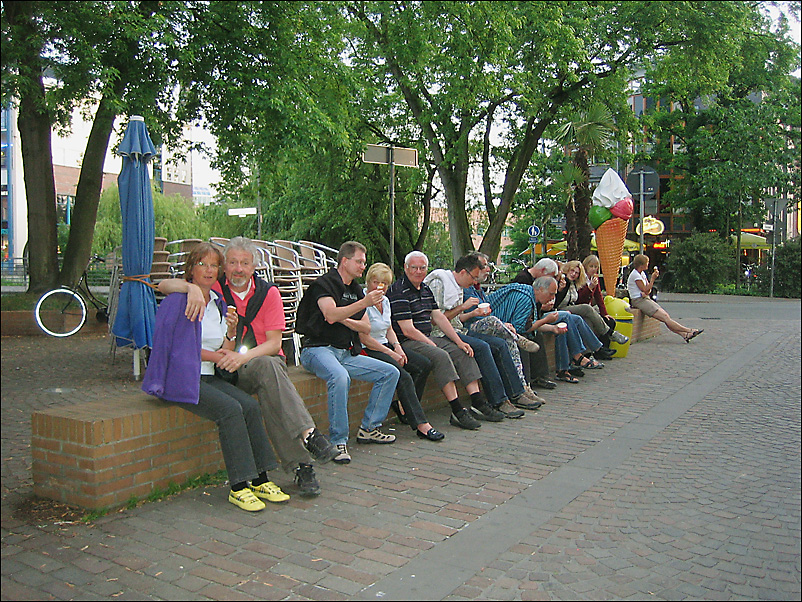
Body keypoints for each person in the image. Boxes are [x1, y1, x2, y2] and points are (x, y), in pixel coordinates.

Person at [157, 237, 339, 498]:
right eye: (232, 263)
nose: (238, 269)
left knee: (268, 369)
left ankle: (302, 460)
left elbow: (275, 343)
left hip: (257, 363)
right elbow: (163, 285)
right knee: (271, 388)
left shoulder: (269, 293)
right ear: (224, 267)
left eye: (244, 263)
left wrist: (243, 358)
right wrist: (191, 289)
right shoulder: (215, 288)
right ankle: (307, 446)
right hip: (225, 371)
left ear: (254, 266)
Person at [143, 243, 289, 512]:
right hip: (183, 379)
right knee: (231, 410)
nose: (209, 271)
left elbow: (224, 347)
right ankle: (238, 486)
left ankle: (260, 478)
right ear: (191, 268)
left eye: (213, 266)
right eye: (202, 265)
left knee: (250, 406)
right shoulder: (181, 300)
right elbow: (175, 348)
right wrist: (216, 356)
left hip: (209, 377)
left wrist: (231, 334)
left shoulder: (215, 302)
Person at [296, 241, 400, 465]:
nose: (364, 266)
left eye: (364, 262)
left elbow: (365, 328)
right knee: (340, 377)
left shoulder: (355, 290)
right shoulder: (324, 284)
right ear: (345, 261)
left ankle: (369, 428)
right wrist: (358, 306)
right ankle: (338, 441)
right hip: (317, 350)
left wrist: (343, 317)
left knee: (390, 372)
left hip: (345, 353)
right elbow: (330, 314)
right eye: (359, 261)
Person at [387, 251, 494, 431]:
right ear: (406, 268)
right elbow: (407, 330)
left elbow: (439, 318)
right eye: (414, 268)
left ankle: (477, 402)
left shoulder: (425, 289)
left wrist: (459, 341)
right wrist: (431, 344)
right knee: (440, 355)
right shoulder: (399, 290)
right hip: (406, 341)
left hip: (427, 337)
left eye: (422, 268)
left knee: (463, 352)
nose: (419, 272)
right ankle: (457, 411)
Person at [427, 253, 542, 413]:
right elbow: (435, 320)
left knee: (500, 344)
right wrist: (462, 307)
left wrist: (471, 313)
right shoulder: (440, 283)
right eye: (474, 277)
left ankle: (516, 393)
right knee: (482, 347)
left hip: (459, 329)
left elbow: (457, 318)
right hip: (441, 333)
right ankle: (499, 400)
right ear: (463, 272)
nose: (475, 282)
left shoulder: (459, 286)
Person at [360, 262, 445, 441]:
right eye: (375, 282)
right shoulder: (362, 302)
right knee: (403, 375)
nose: (379, 287)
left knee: (423, 364)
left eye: (384, 284)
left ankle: (406, 407)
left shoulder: (385, 300)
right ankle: (422, 425)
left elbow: (389, 328)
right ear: (368, 282)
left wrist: (397, 347)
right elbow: (365, 338)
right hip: (369, 348)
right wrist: (392, 353)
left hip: (386, 344)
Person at [555, 260, 622, 360]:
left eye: (577, 273)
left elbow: (597, 297)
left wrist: (605, 313)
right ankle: (608, 334)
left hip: (571, 309)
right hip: (561, 309)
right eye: (572, 271)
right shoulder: (563, 281)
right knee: (587, 309)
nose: (574, 274)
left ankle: (588, 354)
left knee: (587, 320)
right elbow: (558, 300)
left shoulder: (575, 283)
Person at [627, 254, 703, 342]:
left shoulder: (642, 274)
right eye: (647, 263)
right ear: (641, 265)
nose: (648, 265)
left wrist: (646, 290)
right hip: (639, 301)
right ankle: (689, 330)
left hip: (645, 299)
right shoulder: (635, 275)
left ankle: (685, 335)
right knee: (665, 318)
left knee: (666, 317)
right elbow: (645, 289)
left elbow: (648, 291)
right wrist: (652, 279)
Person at [579, 254, 630, 352]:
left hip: (589, 307)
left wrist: (604, 313)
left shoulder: (595, 278)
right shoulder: (581, 279)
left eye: (595, 267)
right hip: (582, 307)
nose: (593, 269)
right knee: (589, 321)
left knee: (609, 320)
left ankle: (605, 348)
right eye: (591, 266)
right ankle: (605, 339)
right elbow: (580, 298)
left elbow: (599, 297)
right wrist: (589, 288)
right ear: (585, 266)